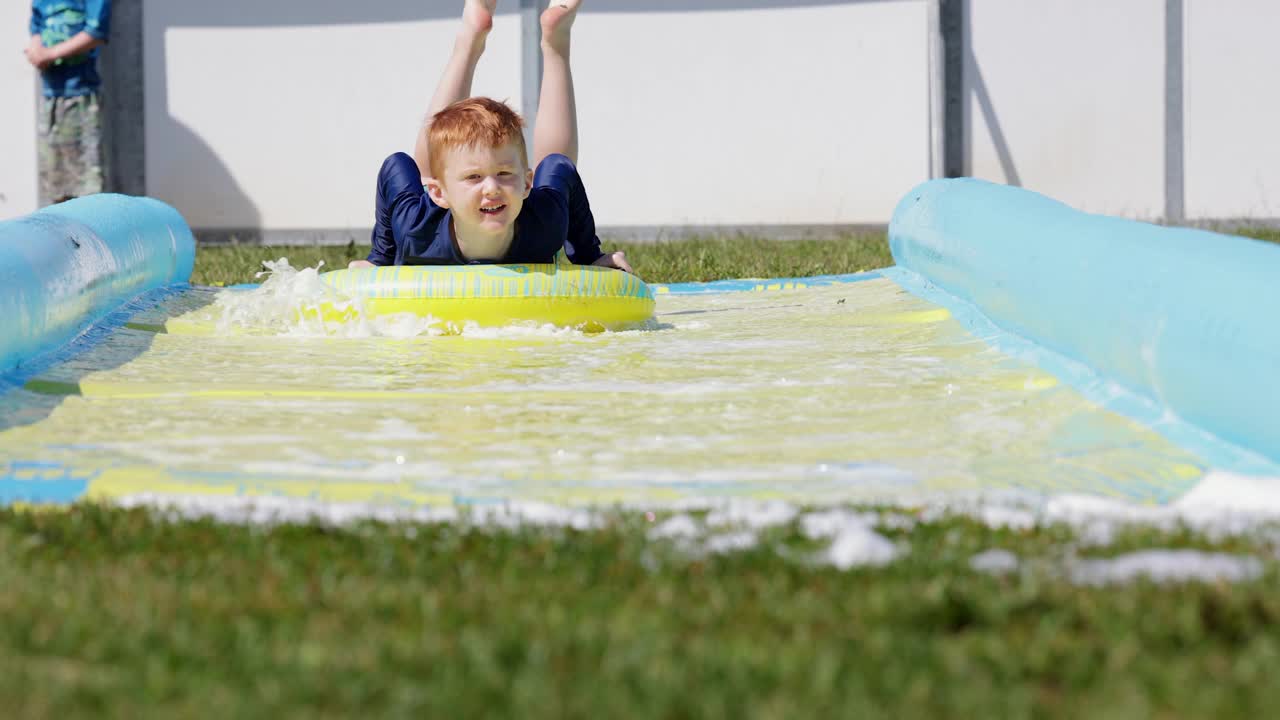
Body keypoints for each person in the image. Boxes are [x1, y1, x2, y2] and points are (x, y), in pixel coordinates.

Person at [351, 0, 632, 274]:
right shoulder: (416, 228)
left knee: (454, 163)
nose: (492, 188)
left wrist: (590, 255)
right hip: (437, 211)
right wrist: (380, 258)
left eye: (504, 174)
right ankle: (551, 42)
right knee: (431, 169)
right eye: (475, 177)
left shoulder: (544, 224)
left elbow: (559, 168)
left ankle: (517, 35)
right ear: (440, 195)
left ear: (527, 184)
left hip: (507, 206)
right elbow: (395, 166)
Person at [27, 0, 112, 205]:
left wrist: (51, 54)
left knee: (89, 182)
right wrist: (36, 50)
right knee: (54, 179)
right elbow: (36, 26)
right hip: (51, 97)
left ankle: (91, 234)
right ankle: (61, 234)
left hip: (82, 95)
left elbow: (96, 31)